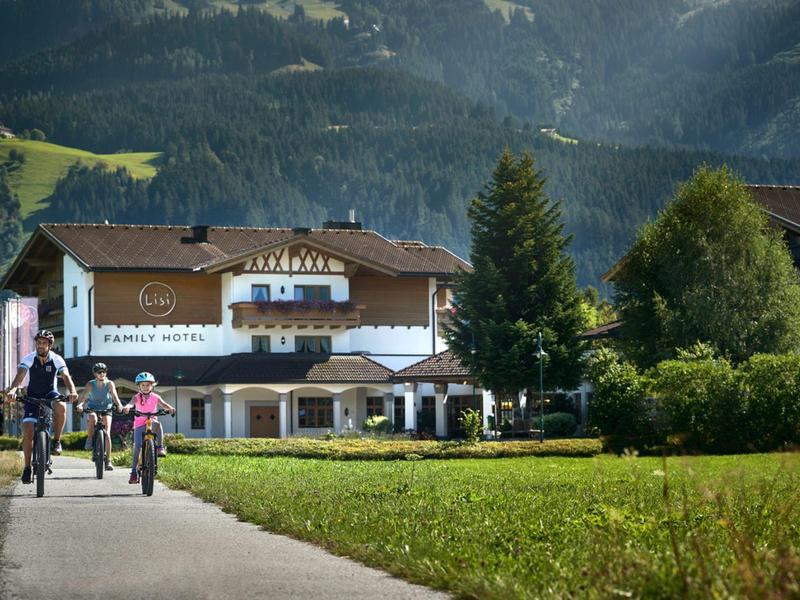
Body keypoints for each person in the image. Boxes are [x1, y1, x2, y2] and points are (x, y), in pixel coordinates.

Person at [4, 330, 78, 484]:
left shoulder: (56, 359)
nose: (41, 346)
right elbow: (20, 375)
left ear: (50, 345)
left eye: (44, 343)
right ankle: (27, 468)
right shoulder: (29, 358)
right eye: (39, 343)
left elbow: (66, 377)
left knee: (61, 406)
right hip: (33, 395)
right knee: (28, 431)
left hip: (50, 393)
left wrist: (72, 391)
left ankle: (56, 440)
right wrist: (12, 390)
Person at [122, 372, 174, 485]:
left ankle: (160, 447)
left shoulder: (156, 397)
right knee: (137, 447)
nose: (145, 387)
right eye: (143, 385)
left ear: (152, 385)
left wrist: (170, 408)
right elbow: (131, 404)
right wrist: (127, 407)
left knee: (158, 424)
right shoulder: (136, 397)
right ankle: (133, 472)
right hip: (139, 424)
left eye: (148, 385)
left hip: (151, 421)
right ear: (139, 386)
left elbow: (164, 405)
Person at [75, 362, 123, 471]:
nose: (102, 374)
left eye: (104, 372)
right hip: (93, 407)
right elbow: (84, 396)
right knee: (92, 417)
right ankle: (90, 438)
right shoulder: (90, 384)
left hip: (107, 408)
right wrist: (80, 405)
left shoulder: (110, 383)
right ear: (95, 374)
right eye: (99, 372)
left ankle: (108, 460)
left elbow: (115, 396)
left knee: (107, 433)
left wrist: (119, 405)